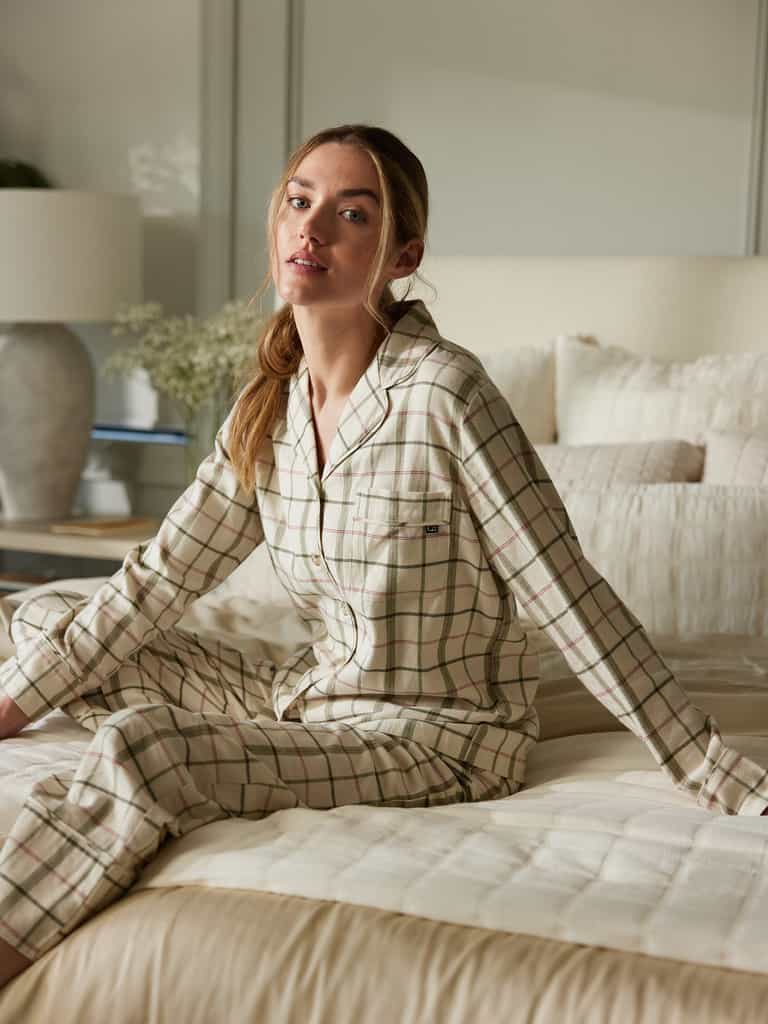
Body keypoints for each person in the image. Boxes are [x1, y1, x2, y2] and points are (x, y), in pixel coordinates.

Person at [0, 123, 766, 989]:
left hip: (438, 737)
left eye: (352, 213)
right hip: (310, 698)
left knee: (148, 750)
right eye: (300, 201)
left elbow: (567, 593)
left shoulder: (445, 392)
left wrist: (709, 765)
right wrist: (14, 705)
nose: (312, 227)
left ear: (403, 256)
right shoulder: (271, 404)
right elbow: (161, 576)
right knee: (43, 622)